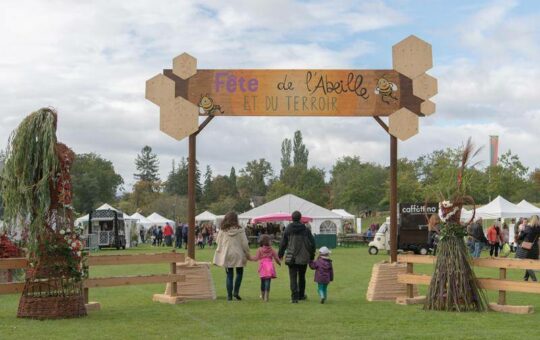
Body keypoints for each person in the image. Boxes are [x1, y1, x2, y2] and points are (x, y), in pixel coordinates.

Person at [278, 211, 316, 303]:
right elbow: (312, 243)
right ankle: (301, 295)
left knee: (293, 277)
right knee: (302, 277)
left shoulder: (288, 229)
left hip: (292, 257)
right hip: (304, 256)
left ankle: (294, 297)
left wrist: (280, 254)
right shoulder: (306, 229)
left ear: (292, 218)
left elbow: (283, 243)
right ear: (300, 218)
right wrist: (312, 255)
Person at [213, 211, 251, 301]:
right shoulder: (240, 229)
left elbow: (218, 242)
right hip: (239, 254)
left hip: (227, 254)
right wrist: (247, 252)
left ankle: (229, 295)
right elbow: (245, 243)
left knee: (229, 275)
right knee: (239, 273)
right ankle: (236, 292)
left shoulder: (222, 230)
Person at [251, 234, 281, 302]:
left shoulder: (260, 250)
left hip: (262, 267)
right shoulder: (272, 249)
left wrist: (249, 257)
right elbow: (276, 258)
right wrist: (279, 263)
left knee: (262, 282)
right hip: (269, 266)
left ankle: (262, 295)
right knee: (268, 282)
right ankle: (266, 297)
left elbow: (256, 258)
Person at [515, 215, 540, 281]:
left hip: (527, 248)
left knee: (526, 263)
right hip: (535, 249)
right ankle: (525, 278)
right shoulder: (538, 228)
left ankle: (534, 279)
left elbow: (520, 237)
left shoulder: (528, 227)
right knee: (529, 263)